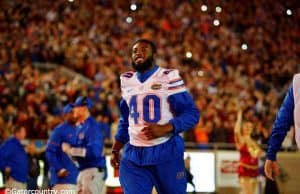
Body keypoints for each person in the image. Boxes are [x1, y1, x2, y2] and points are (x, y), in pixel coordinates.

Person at [110, 39, 200, 194]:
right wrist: (117, 146)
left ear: (154, 55)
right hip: (133, 156)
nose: (138, 52)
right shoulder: (127, 80)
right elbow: (126, 119)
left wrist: (167, 128)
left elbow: (192, 114)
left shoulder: (168, 77)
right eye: (134, 51)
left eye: (144, 49)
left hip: (166, 152)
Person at [62, 97, 106, 194]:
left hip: (92, 171)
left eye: (77, 107)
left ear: (84, 108)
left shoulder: (91, 126)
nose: (74, 110)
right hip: (84, 170)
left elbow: (94, 152)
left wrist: (71, 150)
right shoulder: (81, 126)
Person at [264, 77, 298, 181]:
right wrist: (271, 155)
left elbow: (282, 121)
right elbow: (282, 121)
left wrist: (271, 154)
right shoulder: (298, 84)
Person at [46, 104, 79, 191]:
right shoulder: (59, 130)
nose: (74, 114)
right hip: (63, 179)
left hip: (77, 178)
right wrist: (59, 168)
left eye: (75, 112)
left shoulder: (81, 129)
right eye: (71, 112)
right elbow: (49, 151)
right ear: (65, 115)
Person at [234, 110, 264, 194]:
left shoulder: (253, 142)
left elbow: (259, 153)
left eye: (250, 127)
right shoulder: (242, 139)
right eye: (246, 127)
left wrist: (257, 153)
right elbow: (236, 131)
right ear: (243, 128)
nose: (248, 129)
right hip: (244, 169)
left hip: (254, 169)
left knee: (252, 192)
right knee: (247, 192)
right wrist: (239, 117)